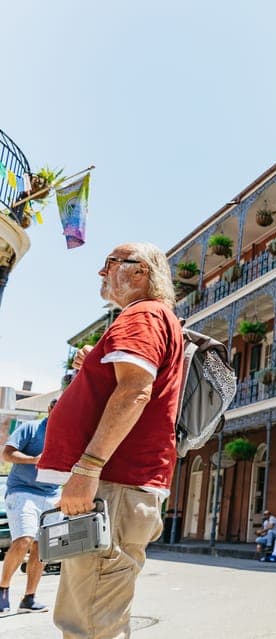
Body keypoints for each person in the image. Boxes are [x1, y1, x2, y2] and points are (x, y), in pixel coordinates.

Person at [36, 242, 185, 639]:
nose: (102, 273)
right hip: (121, 486)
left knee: (91, 623)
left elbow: (135, 389)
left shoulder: (142, 315)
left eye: (110, 264)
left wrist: (87, 467)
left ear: (139, 273)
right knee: (94, 614)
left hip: (114, 485)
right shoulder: (151, 319)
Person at [0, 400, 61, 613]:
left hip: (53, 495)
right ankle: (2, 590)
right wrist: (33, 459)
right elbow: (6, 454)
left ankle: (29, 599)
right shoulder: (32, 428)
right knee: (24, 539)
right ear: (50, 409)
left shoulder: (70, 434)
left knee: (42, 548)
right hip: (22, 490)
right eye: (60, 408)